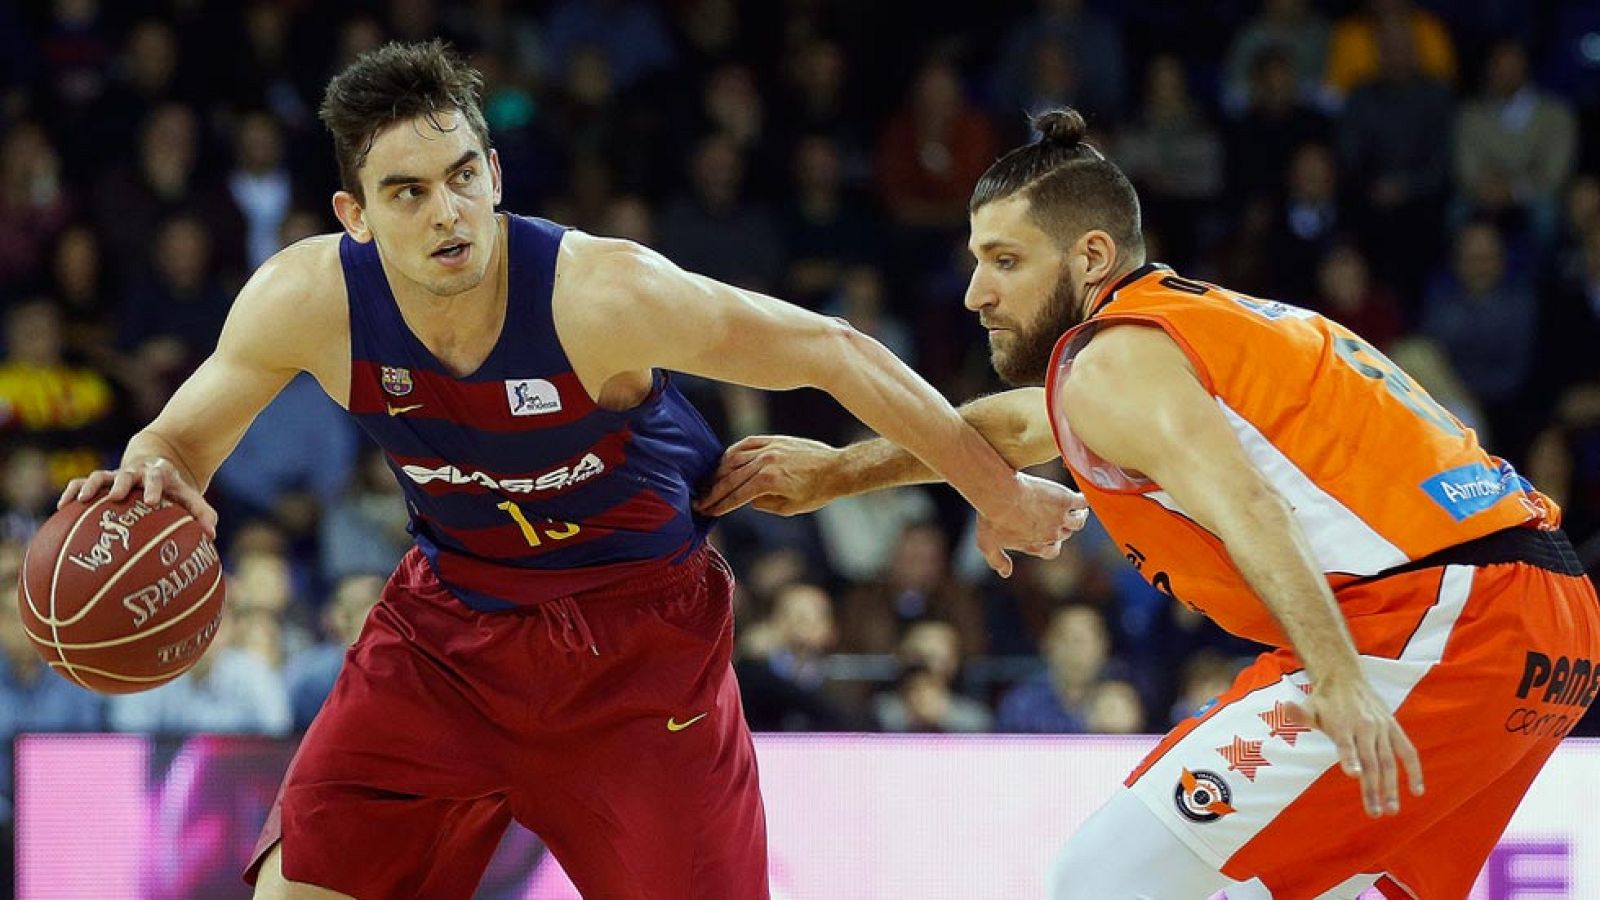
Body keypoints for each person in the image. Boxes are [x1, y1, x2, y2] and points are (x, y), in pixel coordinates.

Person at [57, 42, 1084, 900]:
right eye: (406, 193)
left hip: (639, 654)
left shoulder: (601, 293)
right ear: (354, 214)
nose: (446, 212)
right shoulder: (305, 300)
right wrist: (153, 471)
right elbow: (179, 440)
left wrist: (993, 493)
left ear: (495, 174)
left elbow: (835, 350)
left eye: (462, 177)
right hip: (445, 637)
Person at [700, 107, 1600, 898]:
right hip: (1547, 624)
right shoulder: (1190, 326)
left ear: (1091, 255)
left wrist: (1335, 678)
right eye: (975, 261)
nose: (976, 291)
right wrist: (837, 474)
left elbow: (1247, 504)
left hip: (1432, 624)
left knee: (1103, 878)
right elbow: (1017, 429)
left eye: (1004, 261)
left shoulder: (1115, 362)